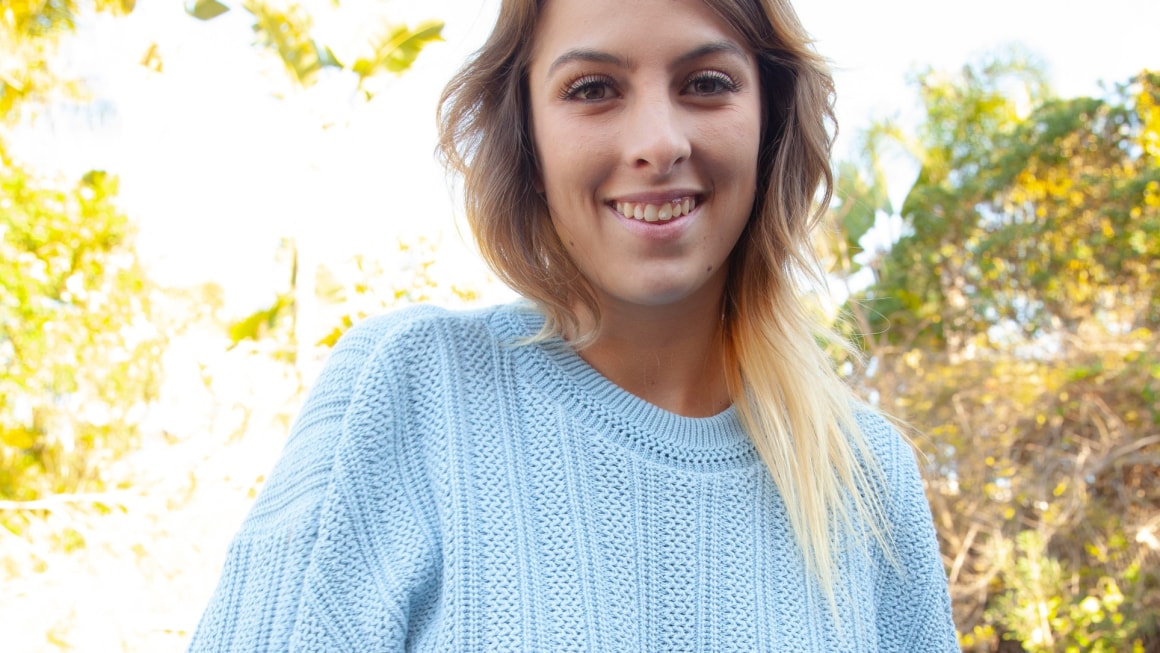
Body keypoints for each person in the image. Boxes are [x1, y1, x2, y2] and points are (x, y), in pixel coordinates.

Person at [188, 0, 958, 649]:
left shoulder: (868, 480)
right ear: (526, 133)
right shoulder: (408, 392)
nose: (658, 141)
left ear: (772, 118)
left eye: (707, 83)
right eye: (593, 88)